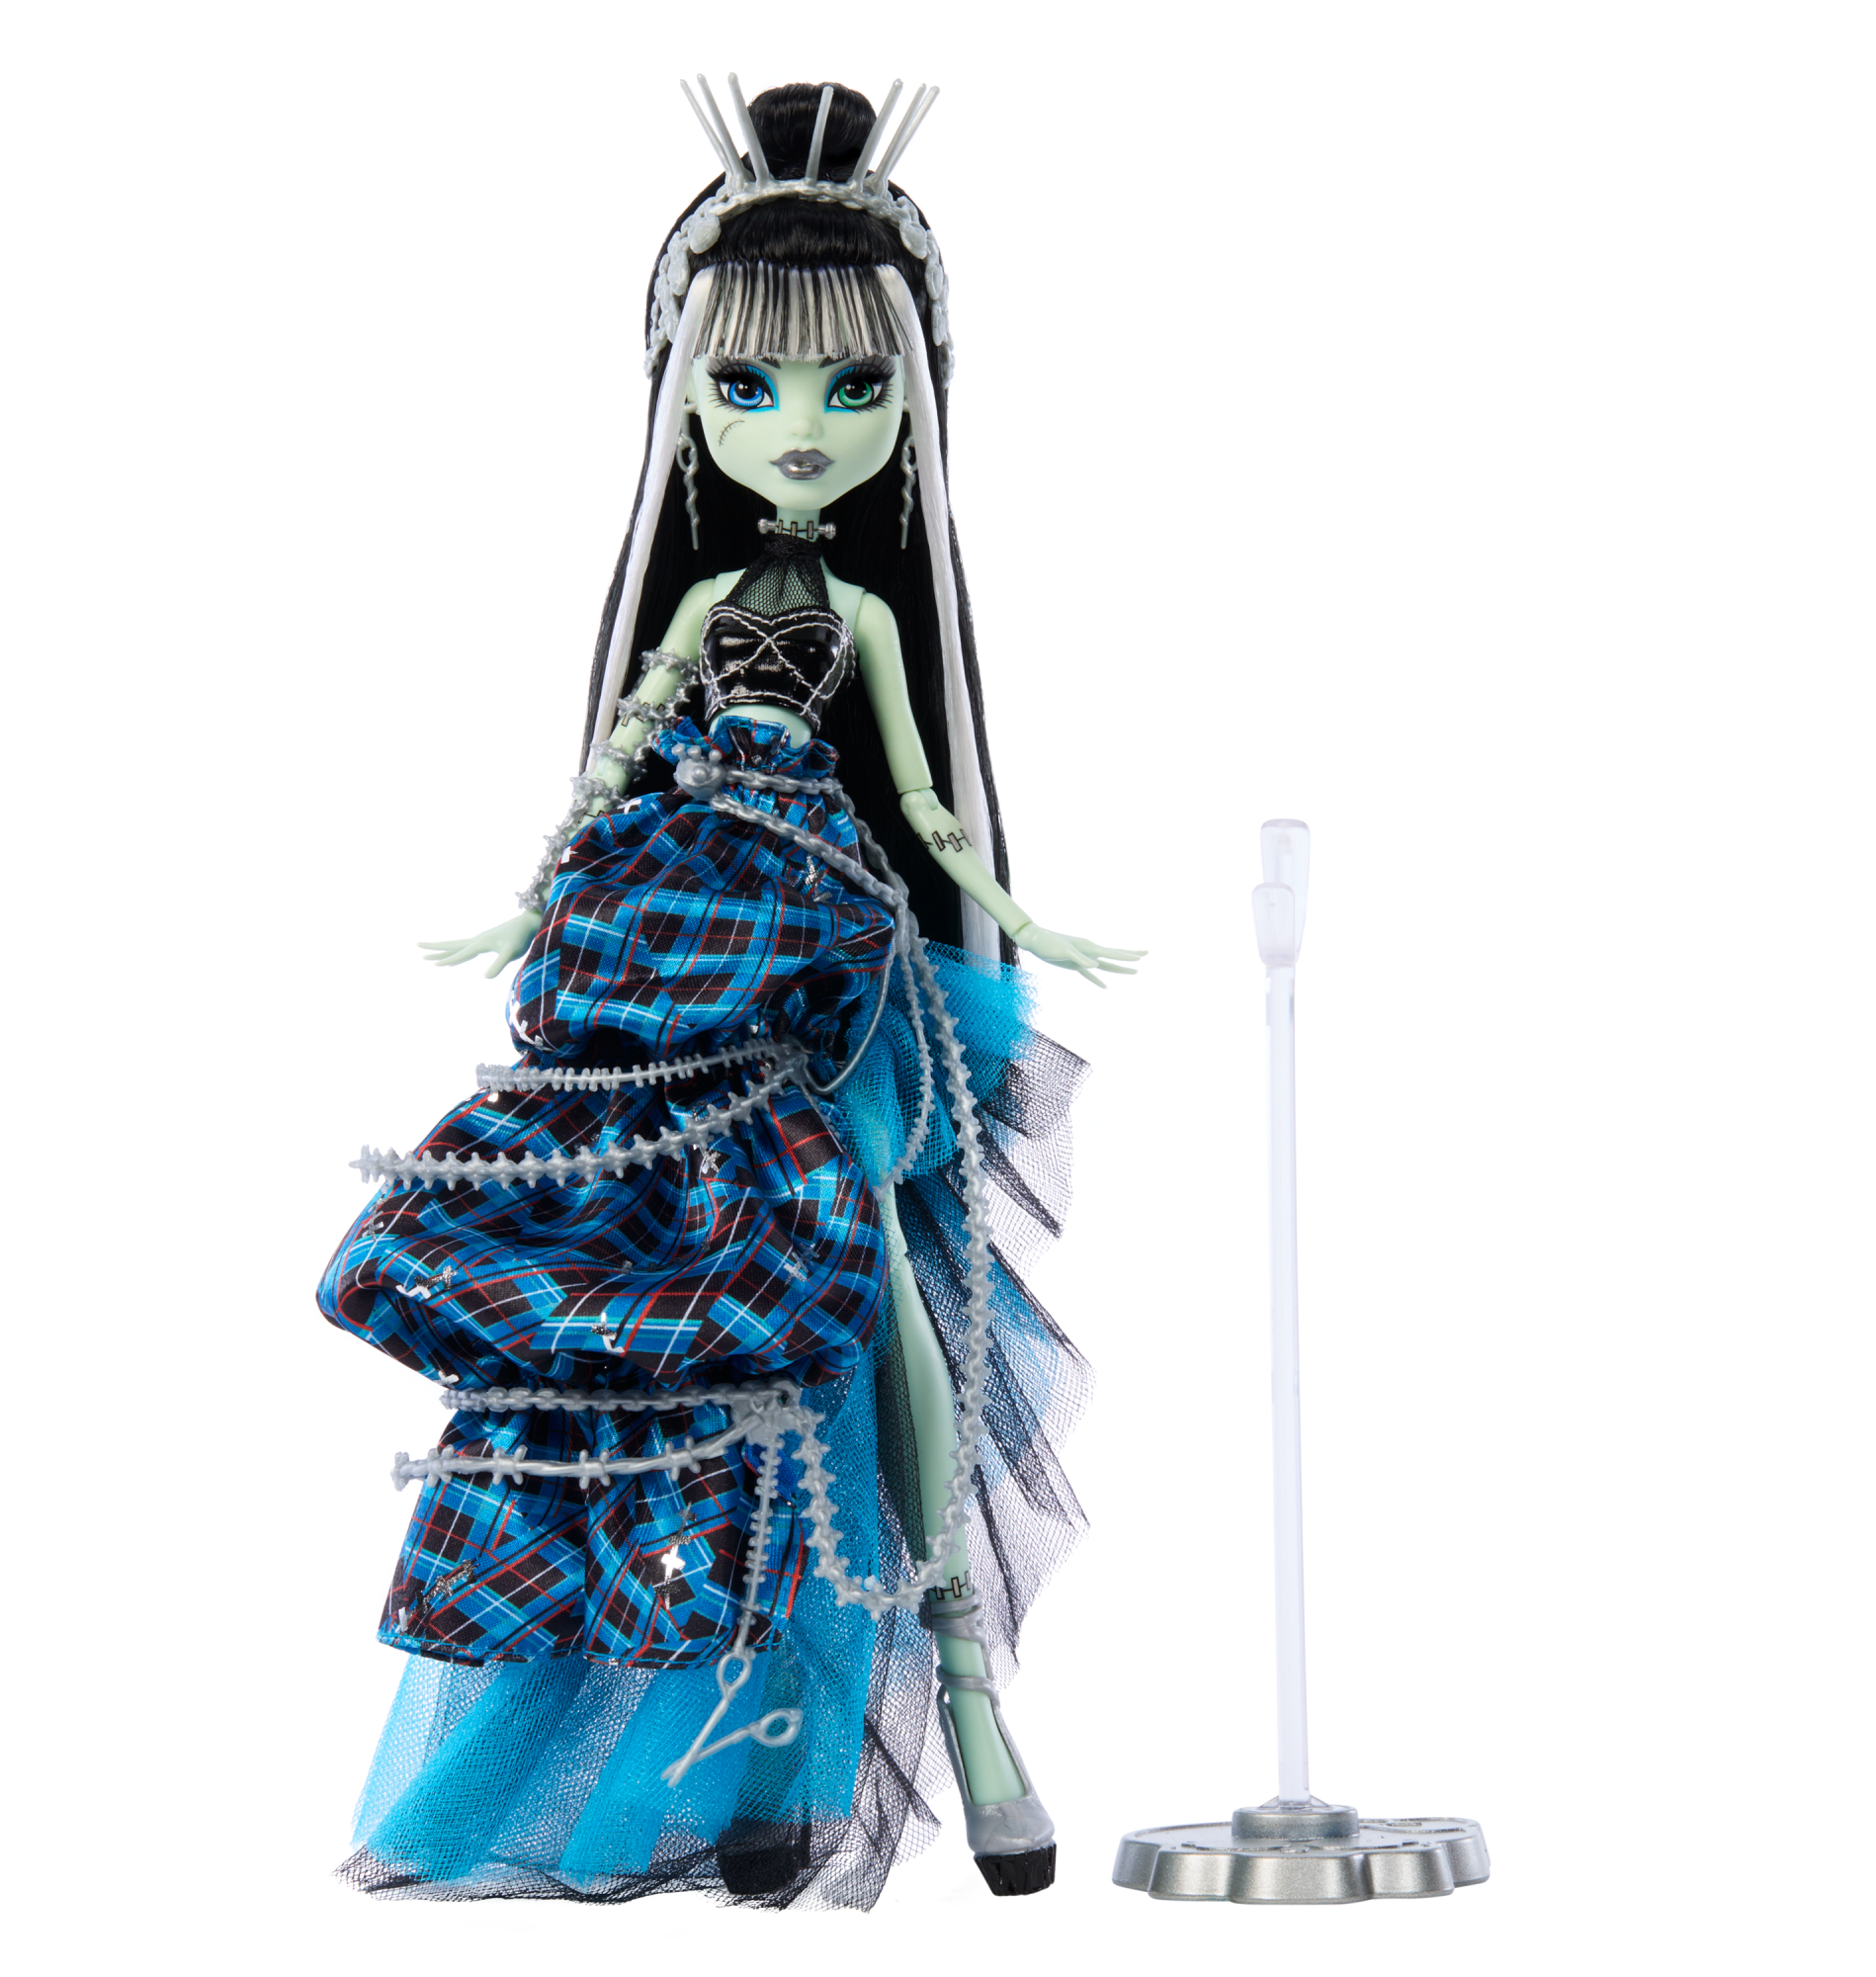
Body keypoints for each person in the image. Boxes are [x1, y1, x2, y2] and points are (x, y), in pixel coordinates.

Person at [318, 77, 1139, 1910]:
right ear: (685, 399)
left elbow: (926, 790)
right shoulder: (697, 609)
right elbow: (618, 751)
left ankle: (963, 1696)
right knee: (683, 1309)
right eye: (748, 384)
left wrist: (1011, 912)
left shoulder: (876, 616)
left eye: (856, 389)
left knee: (877, 1283)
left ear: (913, 405)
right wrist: (530, 904)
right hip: (675, 953)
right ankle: (752, 1723)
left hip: (836, 963)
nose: (802, 428)